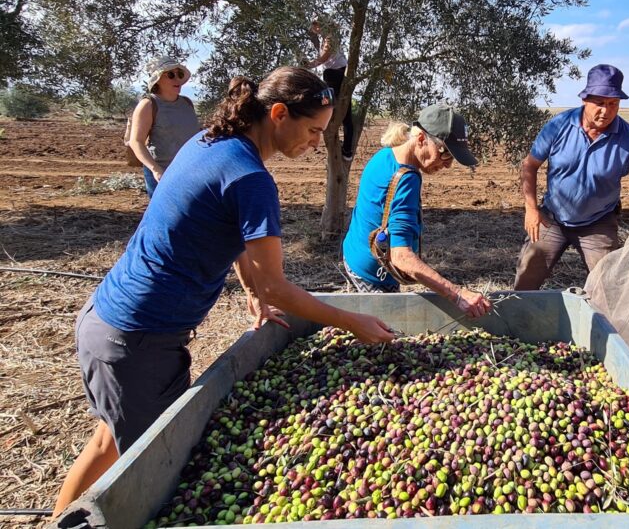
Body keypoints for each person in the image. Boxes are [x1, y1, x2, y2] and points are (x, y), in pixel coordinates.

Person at [53, 67, 395, 518]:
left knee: (107, 443)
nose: (316, 144)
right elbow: (279, 285)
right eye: (313, 130)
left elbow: (233, 239)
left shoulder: (209, 143)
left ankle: (58, 521)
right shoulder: (250, 178)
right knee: (152, 482)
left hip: (110, 320)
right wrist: (352, 321)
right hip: (137, 340)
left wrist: (253, 292)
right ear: (278, 114)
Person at [514, 64, 629, 291]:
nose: (606, 111)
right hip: (552, 217)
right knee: (525, 282)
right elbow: (529, 165)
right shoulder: (558, 125)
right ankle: (517, 323)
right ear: (585, 99)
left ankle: (602, 326)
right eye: (600, 103)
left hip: (598, 223)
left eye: (613, 104)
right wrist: (531, 209)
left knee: (607, 289)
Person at [342, 104, 492, 318]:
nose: (448, 165)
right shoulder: (406, 179)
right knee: (386, 339)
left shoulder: (386, 155)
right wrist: (457, 295)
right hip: (372, 275)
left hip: (354, 254)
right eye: (445, 153)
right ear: (421, 138)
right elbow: (401, 257)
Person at [127, 57, 201, 196]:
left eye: (179, 75)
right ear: (157, 79)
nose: (177, 80)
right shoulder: (148, 105)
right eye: (171, 75)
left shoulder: (187, 103)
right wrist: (155, 170)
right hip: (162, 174)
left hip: (188, 173)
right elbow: (135, 141)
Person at [301, 18, 355, 161]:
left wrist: (310, 65)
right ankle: (347, 151)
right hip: (341, 73)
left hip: (334, 74)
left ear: (320, 26)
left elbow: (324, 58)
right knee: (345, 111)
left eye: (315, 26)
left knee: (326, 102)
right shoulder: (329, 37)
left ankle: (328, 128)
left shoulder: (330, 38)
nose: (314, 29)